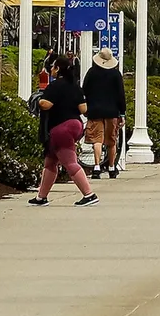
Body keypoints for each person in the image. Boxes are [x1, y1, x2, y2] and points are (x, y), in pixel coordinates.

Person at [31, 54, 97, 206]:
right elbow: (83, 108)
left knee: (70, 163)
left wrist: (38, 99)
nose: (51, 69)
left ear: (58, 69)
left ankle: (89, 194)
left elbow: (46, 105)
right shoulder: (75, 86)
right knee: (50, 162)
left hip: (61, 128)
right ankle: (41, 197)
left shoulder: (54, 86)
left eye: (53, 67)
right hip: (75, 125)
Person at [81, 45, 127, 178]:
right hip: (112, 112)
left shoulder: (91, 73)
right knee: (111, 141)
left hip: (94, 111)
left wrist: (86, 107)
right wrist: (122, 113)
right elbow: (121, 95)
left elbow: (84, 91)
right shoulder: (116, 74)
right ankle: (112, 168)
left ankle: (96, 167)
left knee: (97, 140)